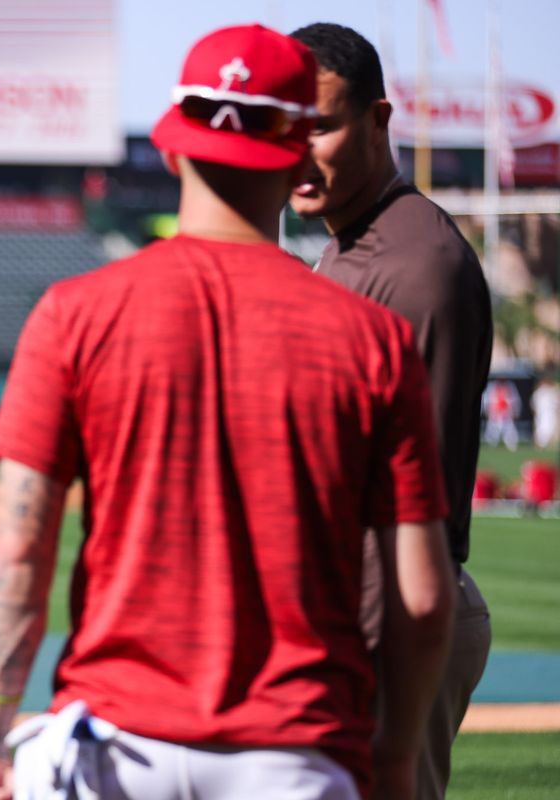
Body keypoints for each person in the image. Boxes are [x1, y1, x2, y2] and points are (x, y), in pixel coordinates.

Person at [0, 24, 456, 800]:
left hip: (113, 746)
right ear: (296, 155)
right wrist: (393, 755)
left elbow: (15, 552)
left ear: (171, 148)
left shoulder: (75, 312)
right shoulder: (374, 340)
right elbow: (422, 597)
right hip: (298, 748)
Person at [288, 23, 495, 800]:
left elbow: (421, 517)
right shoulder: (348, 243)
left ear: (378, 121)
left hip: (388, 626)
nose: (300, 150)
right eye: (286, 128)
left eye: (324, 125)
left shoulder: (417, 267)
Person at [482, 378, 521, 450]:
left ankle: (512, 446)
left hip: (506, 415)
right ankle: (491, 446)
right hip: (495, 415)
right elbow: (487, 401)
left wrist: (515, 411)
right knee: (492, 433)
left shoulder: (510, 386)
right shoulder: (492, 386)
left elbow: (515, 400)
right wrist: (487, 411)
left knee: (510, 432)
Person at [531, 374, 559, 449]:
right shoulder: (539, 392)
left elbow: (557, 403)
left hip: (551, 414)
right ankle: (539, 446)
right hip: (542, 414)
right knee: (541, 430)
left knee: (550, 429)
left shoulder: (553, 391)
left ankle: (548, 445)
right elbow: (534, 404)